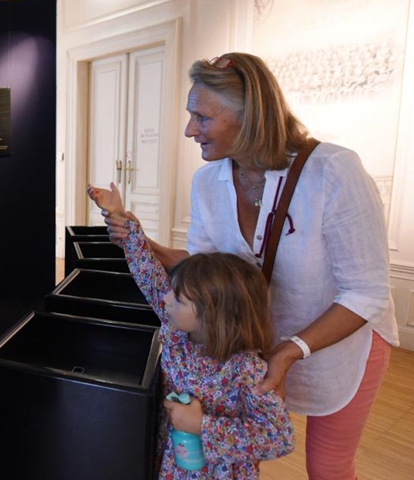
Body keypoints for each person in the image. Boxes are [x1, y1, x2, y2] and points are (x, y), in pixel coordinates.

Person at [88, 52, 399, 479]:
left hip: (338, 344)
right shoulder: (208, 181)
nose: (189, 130)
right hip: (251, 337)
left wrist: (291, 350)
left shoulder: (334, 171)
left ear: (250, 117)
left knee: (328, 466)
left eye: (203, 117)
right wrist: (137, 238)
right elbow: (203, 268)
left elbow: (367, 293)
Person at [89, 192, 294, 477]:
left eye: (178, 299)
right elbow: (149, 275)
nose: (165, 300)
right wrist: (122, 220)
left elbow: (278, 437)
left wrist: (202, 425)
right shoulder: (177, 333)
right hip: (172, 465)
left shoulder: (247, 369)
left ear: (213, 315)